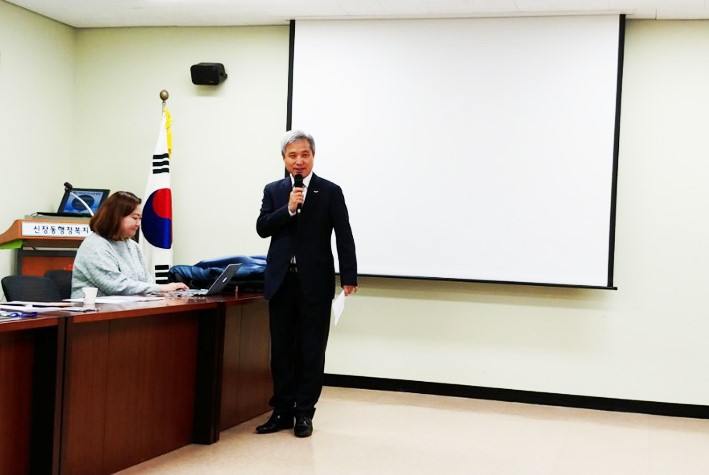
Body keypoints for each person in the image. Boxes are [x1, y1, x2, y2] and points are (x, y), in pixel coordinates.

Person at [255, 129, 358, 438]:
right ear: (283, 159)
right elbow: (262, 227)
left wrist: (349, 276)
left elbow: (343, 234)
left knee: (311, 350)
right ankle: (281, 411)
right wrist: (287, 208)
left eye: (304, 154)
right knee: (281, 350)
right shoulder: (274, 190)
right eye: (292, 155)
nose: (298, 161)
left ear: (313, 156)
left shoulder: (330, 191)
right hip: (281, 281)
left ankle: (304, 413)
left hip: (315, 282)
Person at [71, 191, 188, 298]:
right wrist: (161, 288)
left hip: (130, 307)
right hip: (95, 311)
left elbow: (147, 282)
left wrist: (166, 294)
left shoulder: (133, 246)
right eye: (135, 218)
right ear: (116, 217)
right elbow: (116, 286)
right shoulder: (95, 245)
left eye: (140, 218)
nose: (138, 224)